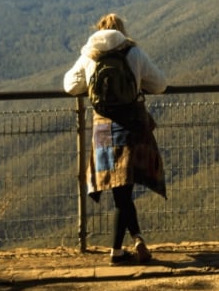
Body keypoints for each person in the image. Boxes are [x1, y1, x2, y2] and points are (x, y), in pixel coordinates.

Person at [63, 13, 168, 264]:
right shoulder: (133, 53)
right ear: (121, 30)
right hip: (132, 124)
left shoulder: (90, 55)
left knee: (119, 191)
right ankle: (123, 247)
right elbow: (160, 84)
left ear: (98, 30)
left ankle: (125, 246)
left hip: (103, 127)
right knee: (125, 189)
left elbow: (70, 85)